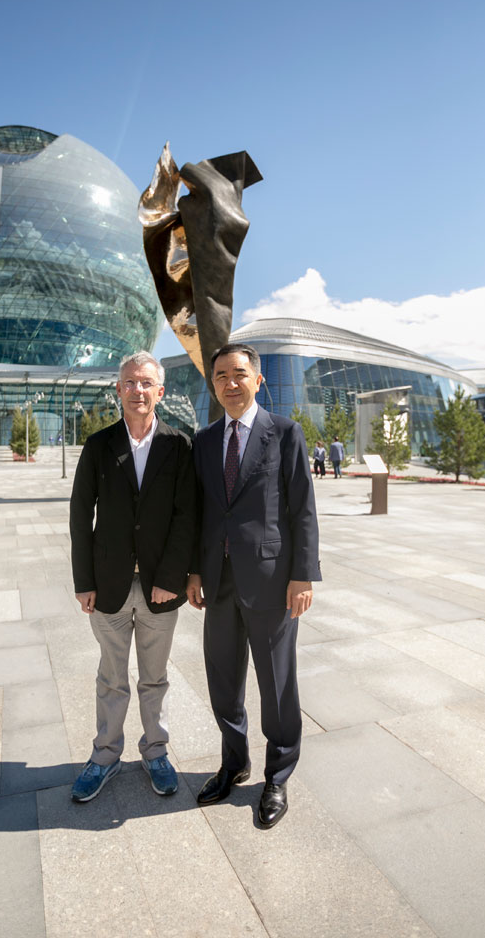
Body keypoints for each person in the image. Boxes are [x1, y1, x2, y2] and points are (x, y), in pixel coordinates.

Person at [187, 344, 321, 828]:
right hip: (217, 583)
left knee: (277, 686)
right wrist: (195, 572)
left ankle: (278, 774)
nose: (229, 382)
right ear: (214, 384)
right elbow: (203, 514)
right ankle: (234, 763)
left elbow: (302, 509)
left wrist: (303, 574)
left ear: (257, 380)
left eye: (239, 374)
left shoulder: (284, 434)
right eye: (220, 375)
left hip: (271, 583)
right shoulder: (203, 442)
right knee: (223, 683)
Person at [69, 351, 196, 802]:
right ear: (118, 390)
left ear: (160, 392)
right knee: (111, 677)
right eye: (130, 383)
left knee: (154, 678)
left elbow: (187, 517)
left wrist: (172, 576)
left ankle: (155, 752)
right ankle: (104, 756)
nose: (138, 390)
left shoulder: (178, 445)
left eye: (147, 383)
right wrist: (84, 580)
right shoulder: (99, 445)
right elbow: (80, 513)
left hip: (161, 588)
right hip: (108, 585)